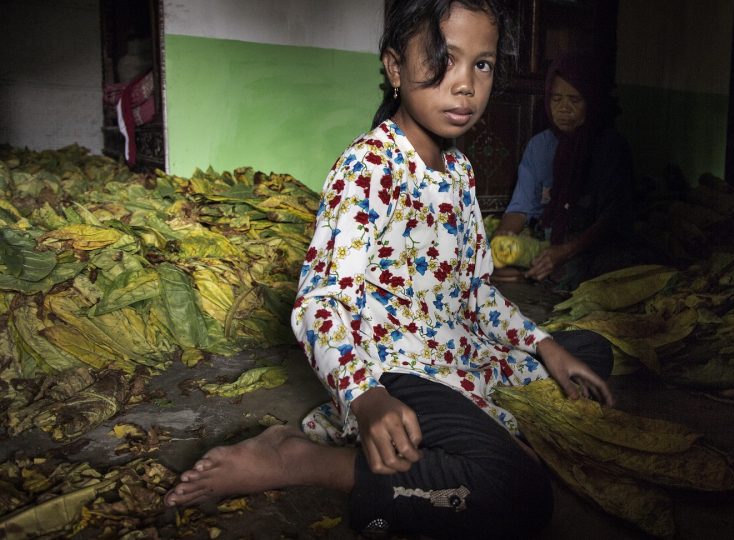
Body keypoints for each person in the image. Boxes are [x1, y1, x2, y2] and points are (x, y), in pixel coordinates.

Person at [163, 2, 614, 539]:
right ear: (396, 68)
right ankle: (307, 460)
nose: (466, 85)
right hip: (396, 369)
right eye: (445, 59)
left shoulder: (460, 171)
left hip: (458, 350)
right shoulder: (368, 168)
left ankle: (460, 432)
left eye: (483, 64)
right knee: (520, 493)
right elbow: (319, 304)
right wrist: (367, 398)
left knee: (589, 353)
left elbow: (476, 294)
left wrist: (544, 345)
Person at [491, 52, 635, 289]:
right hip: (548, 240)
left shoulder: (611, 147)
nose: (564, 109)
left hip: (587, 245)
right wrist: (501, 245)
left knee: (602, 273)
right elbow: (520, 207)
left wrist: (566, 251)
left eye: (575, 100)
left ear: (592, 101)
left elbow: (612, 219)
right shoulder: (540, 146)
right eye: (556, 99)